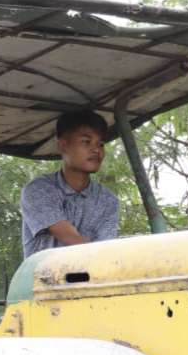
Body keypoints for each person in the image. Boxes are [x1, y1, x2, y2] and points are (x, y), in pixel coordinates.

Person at [20, 109, 120, 259]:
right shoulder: (38, 190)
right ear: (63, 146)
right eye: (86, 142)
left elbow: (105, 249)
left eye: (100, 144)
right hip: (43, 280)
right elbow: (69, 237)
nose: (96, 150)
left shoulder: (108, 200)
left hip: (92, 279)